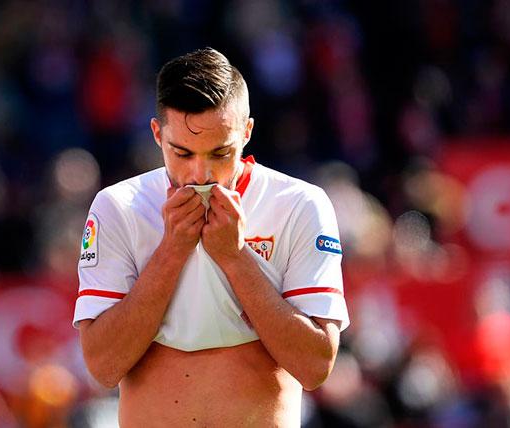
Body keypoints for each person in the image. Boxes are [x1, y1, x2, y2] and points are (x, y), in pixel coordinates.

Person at [74, 47, 349, 426]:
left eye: (220, 153)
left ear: (246, 132)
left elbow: (316, 367)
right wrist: (171, 252)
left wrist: (235, 257)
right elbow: (103, 367)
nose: (200, 175)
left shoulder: (299, 205)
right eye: (182, 153)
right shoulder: (118, 207)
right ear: (157, 134)